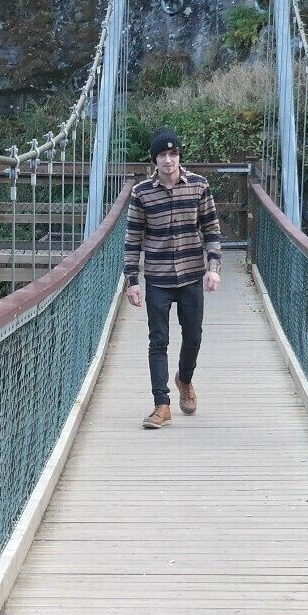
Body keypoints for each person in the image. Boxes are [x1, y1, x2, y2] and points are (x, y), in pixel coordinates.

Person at [124, 127, 222, 429]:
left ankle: (185, 379)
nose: (168, 160)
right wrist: (132, 280)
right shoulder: (141, 193)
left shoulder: (199, 186)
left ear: (179, 156)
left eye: (173, 153)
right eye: (162, 155)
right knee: (158, 341)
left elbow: (211, 228)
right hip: (158, 277)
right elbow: (132, 238)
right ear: (154, 160)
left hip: (191, 274)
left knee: (193, 337)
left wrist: (213, 267)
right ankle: (161, 405)